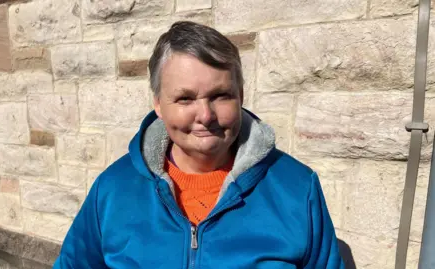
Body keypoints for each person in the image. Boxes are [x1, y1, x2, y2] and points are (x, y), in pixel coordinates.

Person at [53, 21, 344, 268]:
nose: (205, 116)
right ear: (158, 103)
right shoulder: (113, 189)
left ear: (240, 95)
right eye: (185, 98)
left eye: (220, 95)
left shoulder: (297, 189)